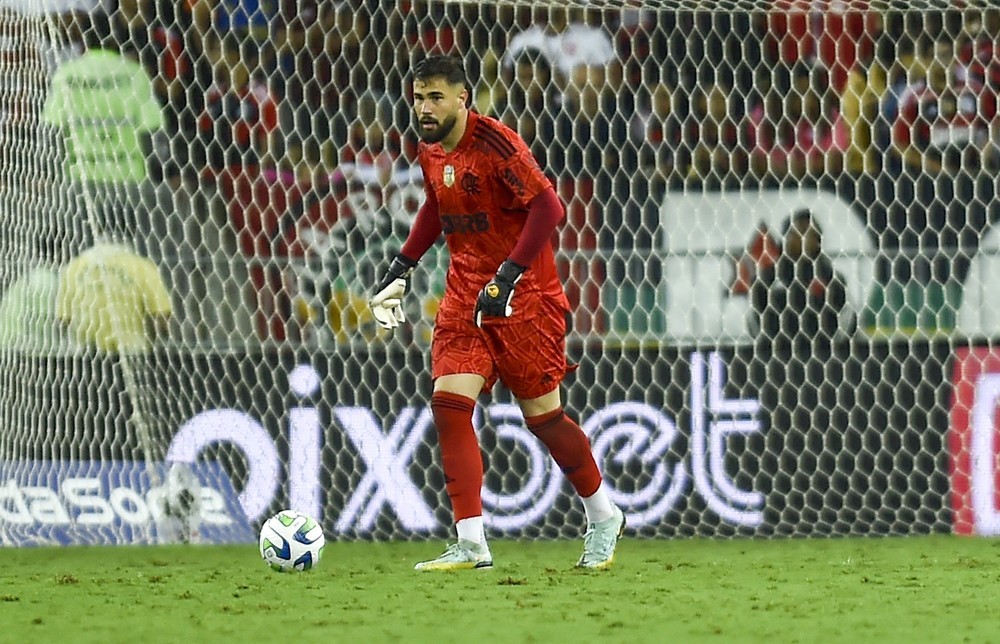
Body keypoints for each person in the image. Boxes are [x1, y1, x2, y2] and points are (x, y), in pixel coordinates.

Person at [368, 55, 624, 571]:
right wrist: (401, 266)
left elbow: (549, 208)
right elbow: (438, 208)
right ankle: (471, 541)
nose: (424, 107)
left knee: (544, 419)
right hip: (465, 293)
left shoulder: (497, 144)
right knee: (448, 402)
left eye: (435, 97)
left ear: (463, 98)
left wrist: (506, 277)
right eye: (418, 97)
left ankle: (603, 516)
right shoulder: (429, 149)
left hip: (525, 295)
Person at [56, 237, 173, 354]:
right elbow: (161, 316)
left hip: (86, 353)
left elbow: (64, 319)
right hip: (133, 351)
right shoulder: (141, 266)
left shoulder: (74, 267)